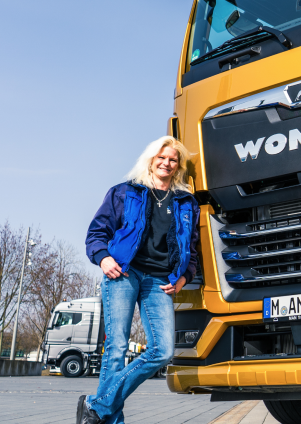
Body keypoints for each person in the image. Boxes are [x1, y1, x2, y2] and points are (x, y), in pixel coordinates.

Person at [77, 136, 201, 424]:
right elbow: (97, 232)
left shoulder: (186, 202)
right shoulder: (125, 192)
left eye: (173, 160)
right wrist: (103, 258)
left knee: (163, 351)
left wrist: (184, 278)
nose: (166, 163)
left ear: (178, 166)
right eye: (162, 157)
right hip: (124, 273)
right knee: (116, 348)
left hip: (160, 281)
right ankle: (109, 420)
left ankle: (96, 406)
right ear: (151, 159)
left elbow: (192, 249)